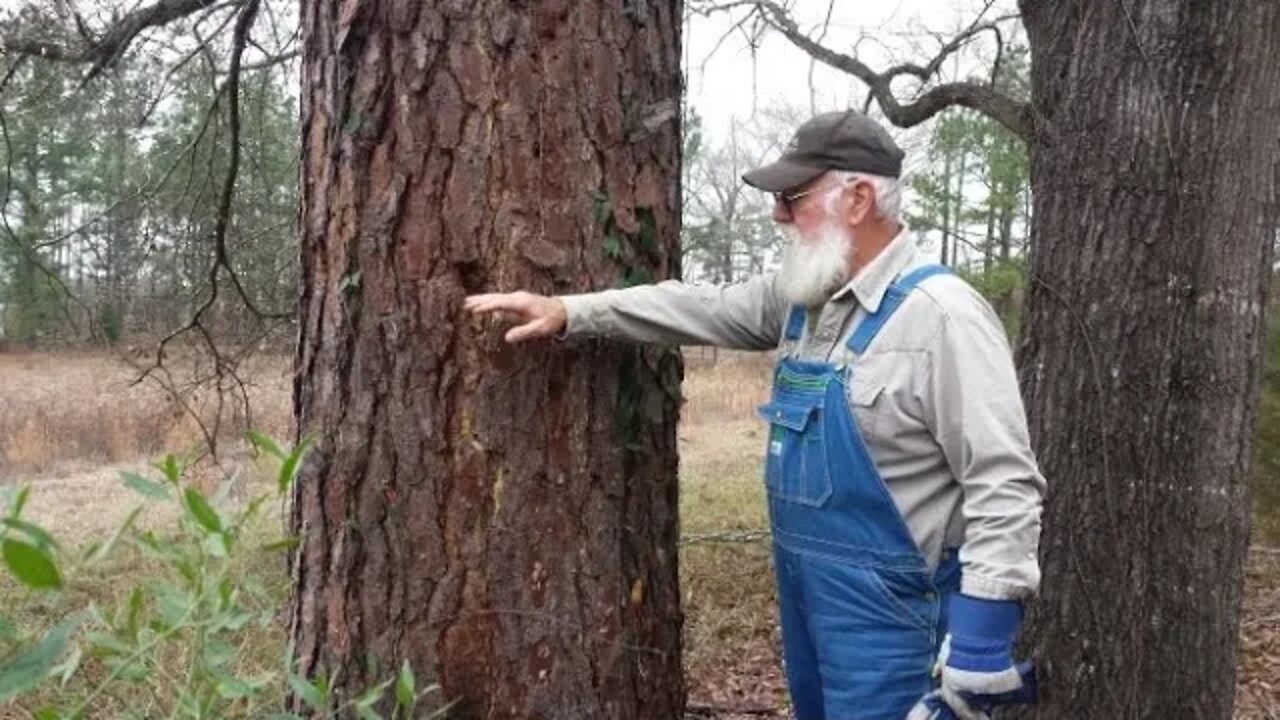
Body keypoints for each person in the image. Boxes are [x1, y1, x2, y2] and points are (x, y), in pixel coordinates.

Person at [465, 109, 1045, 720]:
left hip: (896, 630)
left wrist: (981, 641)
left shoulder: (942, 317)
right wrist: (570, 310)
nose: (777, 216)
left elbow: (1004, 484)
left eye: (792, 199)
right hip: (811, 608)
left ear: (859, 198)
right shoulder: (804, 298)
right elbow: (700, 307)